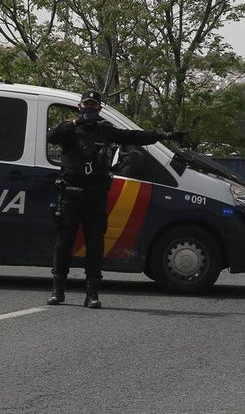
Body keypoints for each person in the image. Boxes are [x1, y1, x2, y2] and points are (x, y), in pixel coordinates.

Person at [46, 89, 183, 309]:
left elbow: (134, 137)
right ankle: (57, 290)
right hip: (70, 194)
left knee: (95, 244)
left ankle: (92, 293)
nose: (89, 109)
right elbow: (52, 137)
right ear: (80, 106)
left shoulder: (105, 131)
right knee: (63, 244)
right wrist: (72, 122)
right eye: (86, 105)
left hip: (95, 196)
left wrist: (163, 136)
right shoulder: (70, 129)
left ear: (99, 109)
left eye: (93, 106)